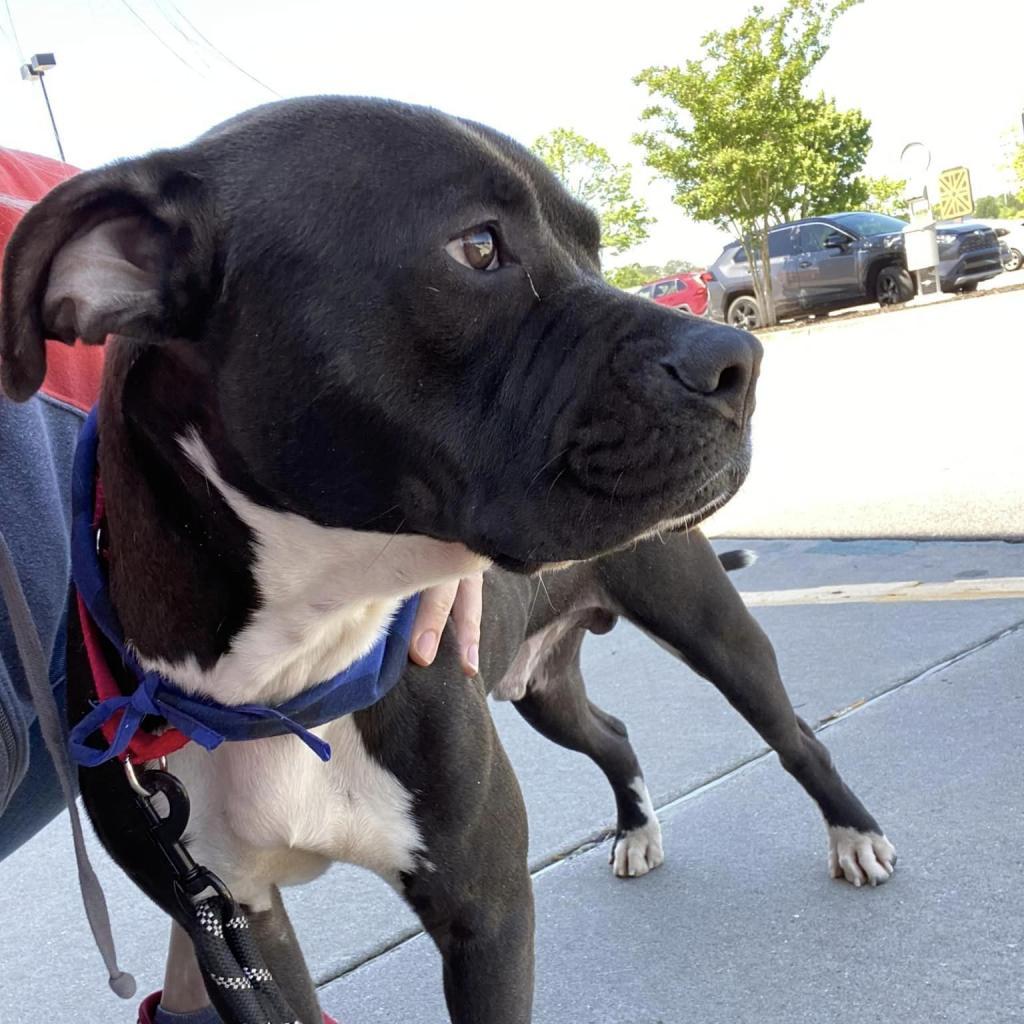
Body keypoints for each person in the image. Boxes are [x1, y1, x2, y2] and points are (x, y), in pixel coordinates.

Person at [0, 145, 482, 1021]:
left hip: (123, 694)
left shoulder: (81, 212)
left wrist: (460, 480)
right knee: (217, 899)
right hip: (105, 712)